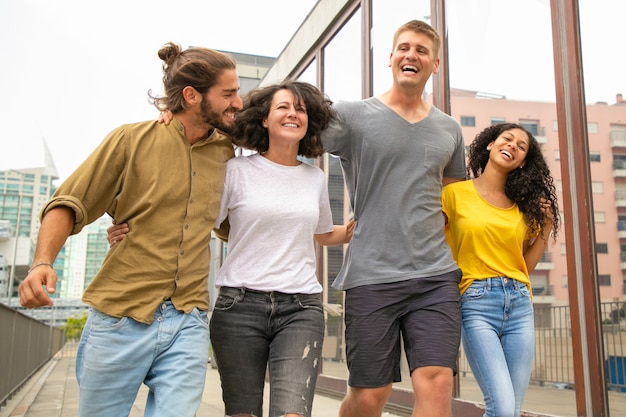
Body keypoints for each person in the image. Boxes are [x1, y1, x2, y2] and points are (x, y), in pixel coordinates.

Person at [18, 42, 243, 417]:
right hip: (119, 317)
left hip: (188, 318)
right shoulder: (131, 140)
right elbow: (69, 201)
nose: (238, 102)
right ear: (190, 96)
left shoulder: (226, 151)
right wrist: (42, 263)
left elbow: (233, 224)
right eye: (229, 93)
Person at [109, 80, 355, 417]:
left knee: (293, 413)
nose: (293, 114)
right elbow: (193, 216)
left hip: (300, 308)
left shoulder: (314, 178)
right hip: (239, 307)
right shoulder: (235, 170)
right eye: (283, 107)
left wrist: (361, 230)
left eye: (300, 109)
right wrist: (134, 230)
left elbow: (324, 234)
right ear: (264, 119)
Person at [320, 20, 466, 417]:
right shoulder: (351, 115)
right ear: (390, 58)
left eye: (421, 50)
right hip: (372, 273)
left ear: (434, 64)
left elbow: (455, 201)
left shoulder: (449, 129)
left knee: (437, 381)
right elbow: (296, 143)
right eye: (404, 47)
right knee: (370, 395)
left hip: (435, 275)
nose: (411, 55)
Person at [441, 123, 559, 417]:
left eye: (521, 147)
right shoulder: (454, 195)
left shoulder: (522, 208)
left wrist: (546, 227)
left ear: (522, 162)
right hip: (476, 302)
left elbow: (523, 265)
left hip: (519, 302)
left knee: (513, 410)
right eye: (508, 139)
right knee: (503, 408)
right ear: (490, 145)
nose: (513, 146)